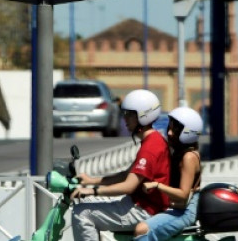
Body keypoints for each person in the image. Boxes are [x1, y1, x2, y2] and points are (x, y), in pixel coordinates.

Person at [70, 89, 171, 241]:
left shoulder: (151, 148)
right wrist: (91, 181)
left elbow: (128, 186)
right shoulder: (152, 141)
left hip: (145, 210)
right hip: (138, 204)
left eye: (130, 114)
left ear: (143, 116)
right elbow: (126, 174)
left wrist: (93, 191)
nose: (125, 119)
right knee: (87, 205)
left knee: (81, 213)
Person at [134, 106, 204, 241]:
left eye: (176, 129)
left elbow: (183, 195)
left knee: (142, 230)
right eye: (169, 128)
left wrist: (157, 185)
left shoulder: (188, 157)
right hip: (177, 208)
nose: (170, 133)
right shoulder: (181, 153)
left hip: (184, 212)